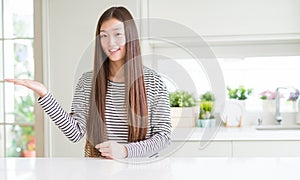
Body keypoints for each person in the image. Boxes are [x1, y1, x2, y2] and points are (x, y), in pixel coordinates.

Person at [5, 6, 171, 159]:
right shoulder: (88, 82)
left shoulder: (153, 82)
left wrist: (125, 151)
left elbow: (163, 137)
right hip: (99, 171)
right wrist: (45, 94)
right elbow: (75, 133)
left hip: (142, 173)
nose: (110, 43)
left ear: (130, 36)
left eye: (117, 34)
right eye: (104, 35)